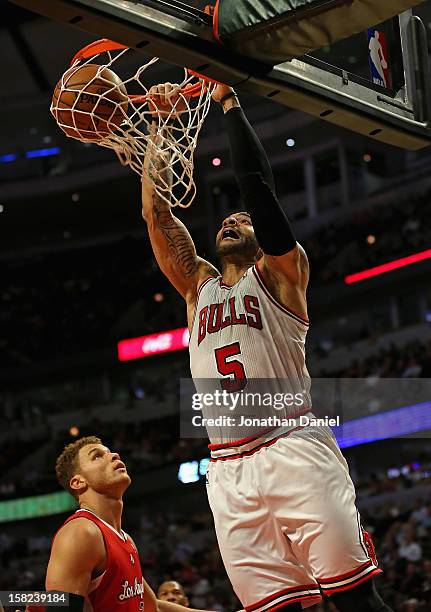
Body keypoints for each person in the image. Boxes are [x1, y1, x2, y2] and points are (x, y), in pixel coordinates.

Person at [141, 83, 393, 611]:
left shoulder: (282, 271)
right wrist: (160, 131)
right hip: (228, 468)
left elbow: (257, 189)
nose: (232, 220)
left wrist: (228, 102)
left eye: (243, 220)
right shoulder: (198, 287)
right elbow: (158, 219)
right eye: (227, 220)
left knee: (355, 601)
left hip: (290, 444)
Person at [27, 436, 209, 612]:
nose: (114, 455)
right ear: (78, 482)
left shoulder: (125, 538)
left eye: (110, 452)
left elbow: (153, 607)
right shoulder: (82, 532)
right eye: (97, 456)